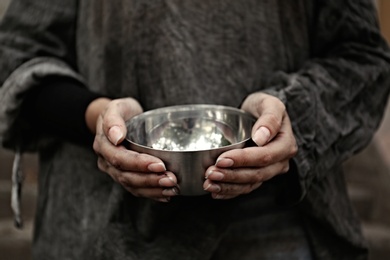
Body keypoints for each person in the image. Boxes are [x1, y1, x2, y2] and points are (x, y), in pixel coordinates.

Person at [0, 0, 389, 259]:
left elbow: (364, 58)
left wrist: (293, 116)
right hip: (104, 228)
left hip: (274, 229)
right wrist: (98, 116)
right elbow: (15, 57)